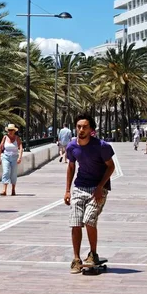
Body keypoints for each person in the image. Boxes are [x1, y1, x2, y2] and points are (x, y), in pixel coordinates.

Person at [64, 114, 115, 274]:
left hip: (98, 188)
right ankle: (77, 258)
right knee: (75, 222)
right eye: (79, 126)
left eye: (85, 127)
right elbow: (71, 167)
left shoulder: (101, 146)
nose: (81, 130)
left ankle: (93, 254)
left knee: (89, 220)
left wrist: (100, 186)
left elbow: (111, 166)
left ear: (91, 129)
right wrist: (67, 190)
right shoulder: (72, 147)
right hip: (80, 187)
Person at [0, 124, 23, 196]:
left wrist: (19, 157)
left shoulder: (17, 138)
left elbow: (21, 148)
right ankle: (4, 190)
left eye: (11, 130)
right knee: (6, 172)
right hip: (6, 157)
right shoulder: (5, 137)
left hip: (14, 157)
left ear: (14, 131)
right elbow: (0, 147)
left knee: (13, 174)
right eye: (9, 130)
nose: (10, 132)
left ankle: (13, 189)